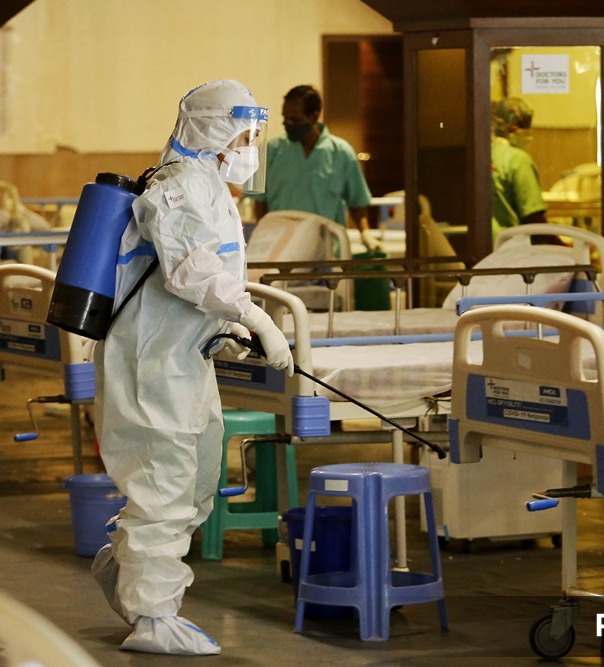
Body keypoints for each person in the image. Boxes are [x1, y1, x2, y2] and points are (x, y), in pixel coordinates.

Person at [90, 79, 293, 656]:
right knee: (164, 485)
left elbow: (193, 284)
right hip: (150, 363)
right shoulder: (178, 186)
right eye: (245, 133)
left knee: (198, 481)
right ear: (212, 129)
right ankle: (153, 616)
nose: (250, 146)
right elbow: (192, 273)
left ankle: (129, 569)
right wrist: (257, 317)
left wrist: (224, 328)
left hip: (183, 358)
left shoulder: (210, 187)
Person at [250, 85, 373, 237]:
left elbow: (357, 202)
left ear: (315, 116)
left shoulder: (340, 153)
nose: (288, 124)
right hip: (281, 244)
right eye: (285, 118)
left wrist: (366, 234)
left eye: (295, 120)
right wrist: (264, 234)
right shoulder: (272, 151)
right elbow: (260, 201)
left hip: (326, 246)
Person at [490, 96, 547, 242]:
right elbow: (534, 220)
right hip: (511, 250)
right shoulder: (518, 160)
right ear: (509, 127)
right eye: (524, 125)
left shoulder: (481, 155)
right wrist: (565, 248)